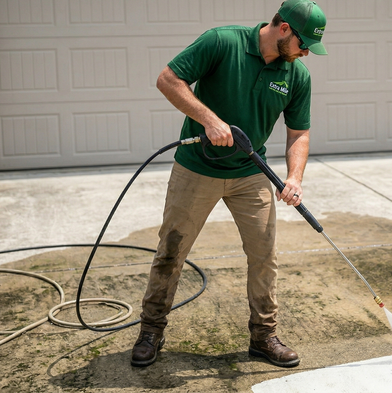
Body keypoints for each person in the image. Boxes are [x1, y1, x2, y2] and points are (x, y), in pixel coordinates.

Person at [131, 0, 327, 368]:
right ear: (284, 28)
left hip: (250, 174)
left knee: (263, 256)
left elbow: (298, 132)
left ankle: (263, 336)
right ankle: (151, 330)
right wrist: (209, 120)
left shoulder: (296, 75)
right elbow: (168, 79)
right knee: (171, 252)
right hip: (197, 169)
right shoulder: (222, 42)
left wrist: (294, 178)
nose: (305, 54)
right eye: (304, 44)